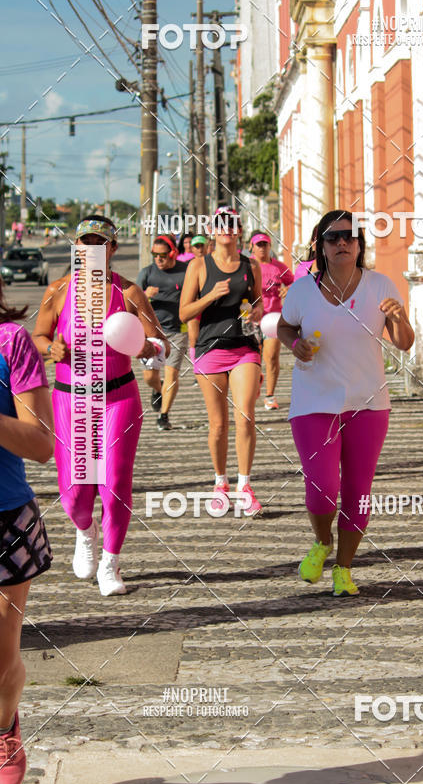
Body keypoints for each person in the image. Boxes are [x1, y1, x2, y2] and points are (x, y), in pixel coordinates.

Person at [278, 210, 414, 597]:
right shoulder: (303, 290)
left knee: (358, 490)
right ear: (320, 247)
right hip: (313, 402)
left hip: (368, 403)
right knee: (322, 485)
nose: (342, 243)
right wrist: (294, 344)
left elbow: (404, 342)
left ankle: (344, 568)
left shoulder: (379, 286)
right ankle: (322, 542)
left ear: (359, 244)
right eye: (333, 237)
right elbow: (286, 326)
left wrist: (400, 319)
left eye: (349, 237)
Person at [33, 216, 169, 596]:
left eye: (99, 243)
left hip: (118, 397)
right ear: (76, 249)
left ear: (112, 249)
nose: (91, 249)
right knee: (76, 490)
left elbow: (162, 348)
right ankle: (85, 530)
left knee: (114, 481)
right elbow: (39, 335)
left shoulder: (128, 293)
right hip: (70, 399)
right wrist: (51, 349)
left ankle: (111, 560)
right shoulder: (58, 291)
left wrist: (146, 349)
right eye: (84, 243)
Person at [0, 282, 53, 784]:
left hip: (4, 519)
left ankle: (4, 723)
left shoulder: (10, 342)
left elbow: (41, 444)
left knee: (0, 657)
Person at [180, 207, 264, 516]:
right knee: (218, 425)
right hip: (210, 348)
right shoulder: (199, 266)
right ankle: (220, 483)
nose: (226, 229)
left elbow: (258, 304)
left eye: (232, 224)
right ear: (214, 231)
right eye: (220, 224)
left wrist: (256, 313)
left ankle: (245, 486)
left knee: (245, 417)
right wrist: (210, 295)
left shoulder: (251, 265)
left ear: (239, 230)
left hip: (244, 347)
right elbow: (184, 313)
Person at [137, 234, 188, 431]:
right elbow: (131, 303)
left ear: (173, 253)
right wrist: (144, 296)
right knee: (150, 377)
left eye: (163, 255)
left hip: (177, 330)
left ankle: (163, 415)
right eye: (155, 255)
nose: (159, 259)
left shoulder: (185, 272)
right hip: (151, 332)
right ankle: (157, 390)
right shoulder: (147, 273)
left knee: (171, 375)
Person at [250, 232, 293, 410]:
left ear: (270, 246)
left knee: (272, 357)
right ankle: (254, 381)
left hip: (273, 317)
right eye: (258, 244)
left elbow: (295, 282)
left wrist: (288, 289)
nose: (262, 248)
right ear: (251, 247)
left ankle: (269, 395)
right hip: (251, 319)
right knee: (252, 359)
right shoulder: (247, 265)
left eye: (265, 244)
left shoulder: (278, 267)